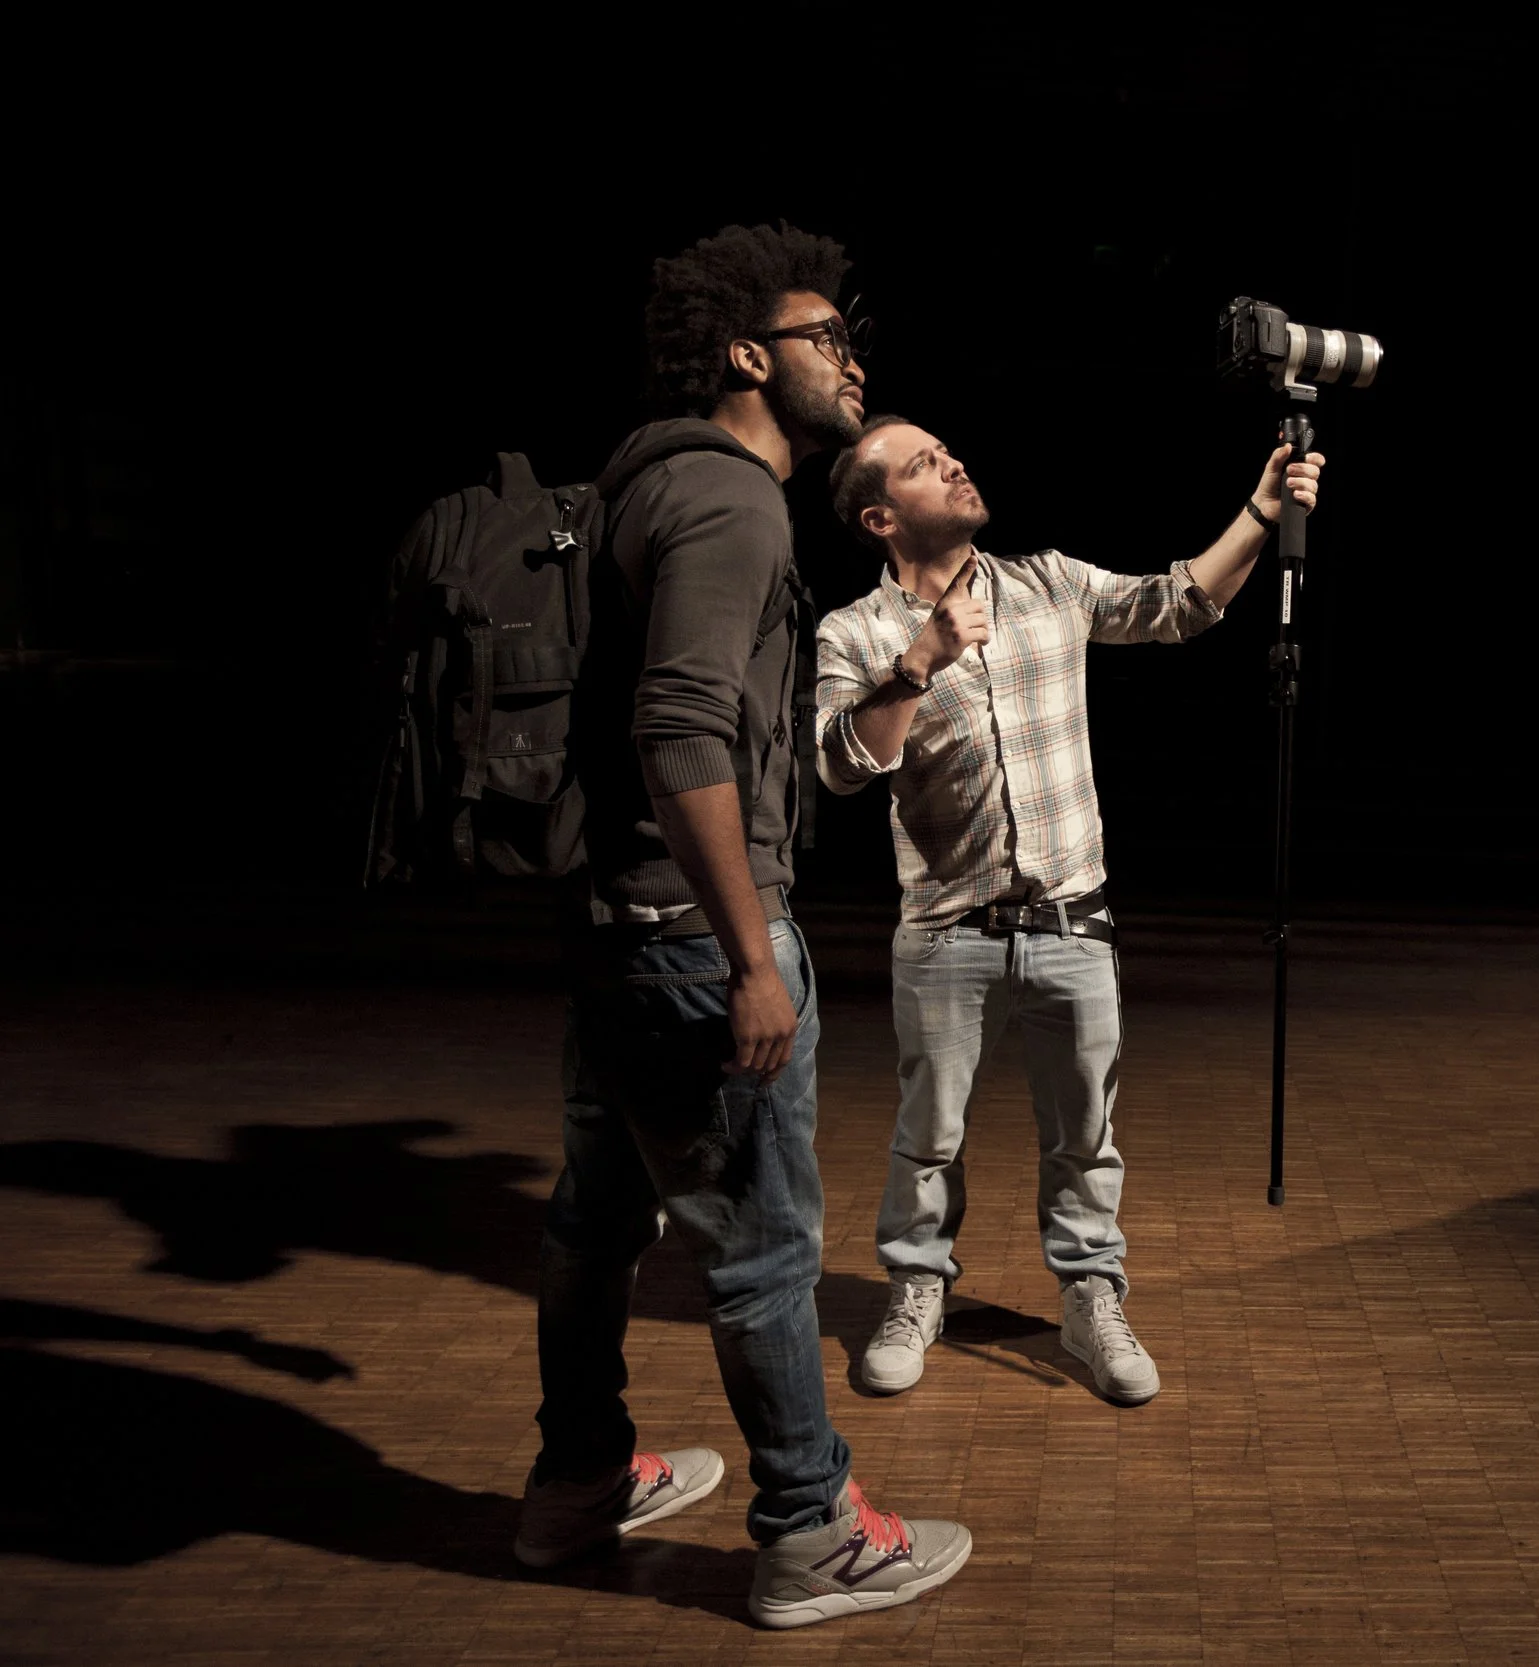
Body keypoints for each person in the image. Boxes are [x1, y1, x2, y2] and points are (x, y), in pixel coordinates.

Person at [517, 223, 970, 1629]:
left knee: (596, 1219)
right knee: (765, 1243)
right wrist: (748, 952)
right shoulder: (731, 502)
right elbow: (680, 732)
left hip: (611, 927)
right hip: (688, 936)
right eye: (825, 335)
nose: (851, 360)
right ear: (745, 351)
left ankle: (581, 1476)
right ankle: (809, 1528)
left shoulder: (635, 479)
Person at [814, 413, 1323, 1405]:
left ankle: (1091, 1296)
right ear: (880, 515)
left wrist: (1260, 513)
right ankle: (918, 1288)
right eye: (923, 464)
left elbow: (1177, 604)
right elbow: (839, 762)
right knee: (929, 1135)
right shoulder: (856, 631)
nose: (953, 462)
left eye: (948, 450)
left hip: (1070, 925)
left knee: (1086, 1136)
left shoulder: (1044, 580)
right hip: (944, 933)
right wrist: (919, 660)